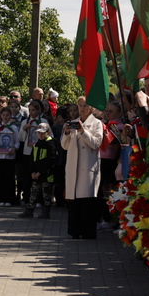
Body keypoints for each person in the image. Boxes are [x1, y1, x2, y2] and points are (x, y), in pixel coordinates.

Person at [61, 96, 103, 239]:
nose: (82, 108)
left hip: (88, 167)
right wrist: (66, 133)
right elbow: (64, 145)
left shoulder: (97, 123)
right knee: (74, 201)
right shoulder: (71, 123)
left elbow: (96, 143)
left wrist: (83, 131)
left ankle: (88, 232)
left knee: (87, 200)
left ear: (91, 108)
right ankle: (74, 231)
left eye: (85, 105)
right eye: (80, 105)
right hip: (74, 166)